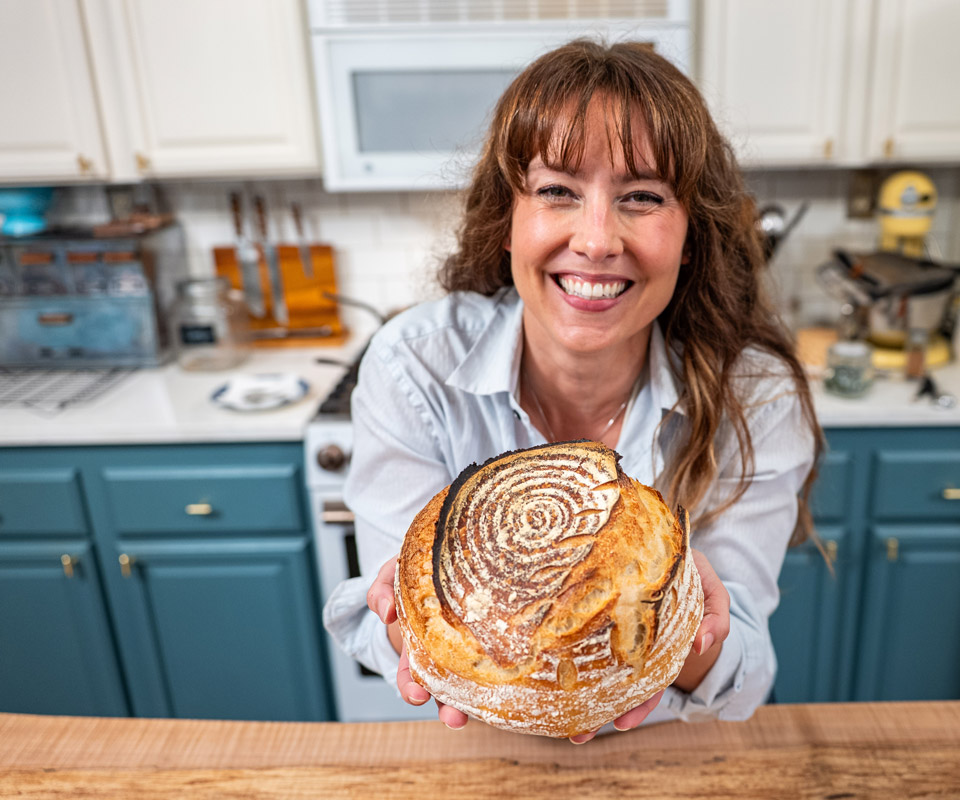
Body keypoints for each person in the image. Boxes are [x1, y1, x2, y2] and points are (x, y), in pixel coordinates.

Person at [323, 39, 822, 744]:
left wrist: (685, 622)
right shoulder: (416, 366)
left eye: (642, 198)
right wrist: (418, 634)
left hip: (666, 760)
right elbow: (404, 617)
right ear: (506, 221)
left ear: (690, 238)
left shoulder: (755, 395)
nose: (595, 240)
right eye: (557, 191)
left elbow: (743, 671)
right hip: (467, 754)